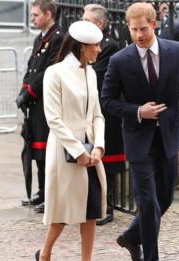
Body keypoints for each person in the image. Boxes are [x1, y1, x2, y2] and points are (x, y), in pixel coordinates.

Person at [101, 3, 179, 261]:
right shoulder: (120, 60)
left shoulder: (177, 51)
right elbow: (107, 101)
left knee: (165, 199)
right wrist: (138, 111)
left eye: (143, 29)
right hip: (138, 140)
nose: (138, 35)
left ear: (154, 24)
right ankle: (152, 260)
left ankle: (130, 237)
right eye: (134, 30)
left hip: (169, 138)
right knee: (147, 202)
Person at [35, 21, 107, 261]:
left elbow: (97, 115)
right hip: (65, 152)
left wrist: (98, 146)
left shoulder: (91, 73)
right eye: (94, 45)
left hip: (90, 152)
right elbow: (53, 119)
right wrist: (77, 151)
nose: (99, 49)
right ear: (81, 47)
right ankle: (44, 255)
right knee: (62, 213)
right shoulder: (55, 73)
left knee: (91, 211)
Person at [16, 0, 63, 214]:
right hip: (35, 104)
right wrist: (23, 91)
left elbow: (49, 71)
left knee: (47, 152)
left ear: (48, 14)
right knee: (36, 151)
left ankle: (51, 195)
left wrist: (30, 92)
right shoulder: (39, 38)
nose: (32, 19)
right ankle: (42, 191)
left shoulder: (58, 38)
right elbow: (32, 68)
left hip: (47, 101)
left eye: (35, 15)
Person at [82, 3, 124, 226]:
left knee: (108, 160)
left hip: (108, 109)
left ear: (99, 23)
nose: (82, 24)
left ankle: (108, 206)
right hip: (92, 108)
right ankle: (96, 203)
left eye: (87, 21)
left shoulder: (109, 45)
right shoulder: (88, 44)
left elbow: (96, 74)